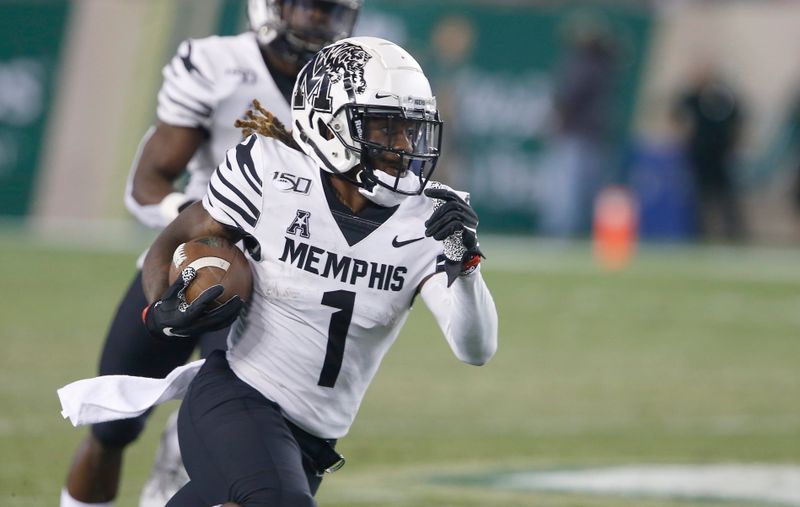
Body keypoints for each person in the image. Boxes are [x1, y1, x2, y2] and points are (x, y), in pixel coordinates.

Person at [132, 36, 497, 505]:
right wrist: (158, 306)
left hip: (311, 444)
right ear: (329, 126)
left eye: (411, 128)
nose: (404, 145)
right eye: (385, 127)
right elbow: (174, 238)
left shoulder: (433, 217)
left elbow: (476, 348)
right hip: (236, 398)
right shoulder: (270, 171)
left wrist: (465, 266)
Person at [59, 2, 363, 507]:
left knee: (237, 435)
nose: (318, 21)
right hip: (193, 257)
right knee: (111, 425)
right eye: (308, 6)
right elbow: (147, 182)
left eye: (331, 10)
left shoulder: (351, 82)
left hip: (278, 285)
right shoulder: (215, 63)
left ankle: (181, 464)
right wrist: (202, 229)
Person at [674, 63, 746, 242]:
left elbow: (738, 119)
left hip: (720, 155)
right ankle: (701, 235)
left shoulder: (722, 94)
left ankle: (735, 236)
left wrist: (734, 144)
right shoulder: (691, 97)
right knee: (700, 198)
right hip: (698, 154)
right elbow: (677, 117)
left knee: (725, 197)